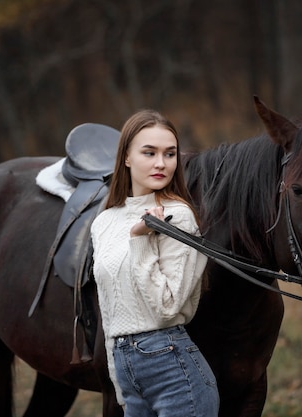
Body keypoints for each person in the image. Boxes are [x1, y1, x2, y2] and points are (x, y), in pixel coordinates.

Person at [90, 109, 219, 416]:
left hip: (175, 373)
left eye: (170, 153)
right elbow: (110, 314)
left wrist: (141, 240)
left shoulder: (178, 216)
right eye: (149, 153)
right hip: (128, 375)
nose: (162, 163)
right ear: (126, 158)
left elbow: (168, 307)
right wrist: (120, 384)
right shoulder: (104, 221)